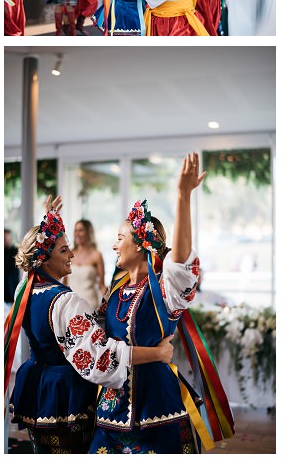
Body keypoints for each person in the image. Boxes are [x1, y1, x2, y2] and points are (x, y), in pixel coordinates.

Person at [89, 154, 234, 453]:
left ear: (142, 243)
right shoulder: (114, 292)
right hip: (111, 410)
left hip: (156, 409)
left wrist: (183, 197)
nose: (114, 244)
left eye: (120, 238)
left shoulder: (164, 291)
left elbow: (180, 262)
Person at [5, 200, 174, 453]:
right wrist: (158, 353)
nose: (72, 255)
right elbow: (99, 358)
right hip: (65, 395)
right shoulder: (66, 302)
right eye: (63, 251)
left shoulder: (25, 289)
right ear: (44, 258)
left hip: (38, 386)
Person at [65, 219, 106, 309]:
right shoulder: (69, 253)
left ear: (88, 232)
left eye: (81, 230)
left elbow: (102, 286)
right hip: (71, 304)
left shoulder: (97, 255)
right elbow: (65, 284)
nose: (77, 234)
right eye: (75, 230)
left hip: (91, 304)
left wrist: (106, 305)